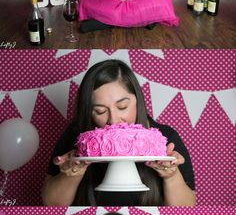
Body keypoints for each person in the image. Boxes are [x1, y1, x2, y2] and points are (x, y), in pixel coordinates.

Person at [42, 59, 196, 207]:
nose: (114, 120)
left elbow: (186, 208)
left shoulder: (164, 139)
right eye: (100, 111)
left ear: (138, 100)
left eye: (122, 106)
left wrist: (171, 176)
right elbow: (52, 203)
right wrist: (70, 174)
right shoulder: (77, 137)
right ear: (88, 111)